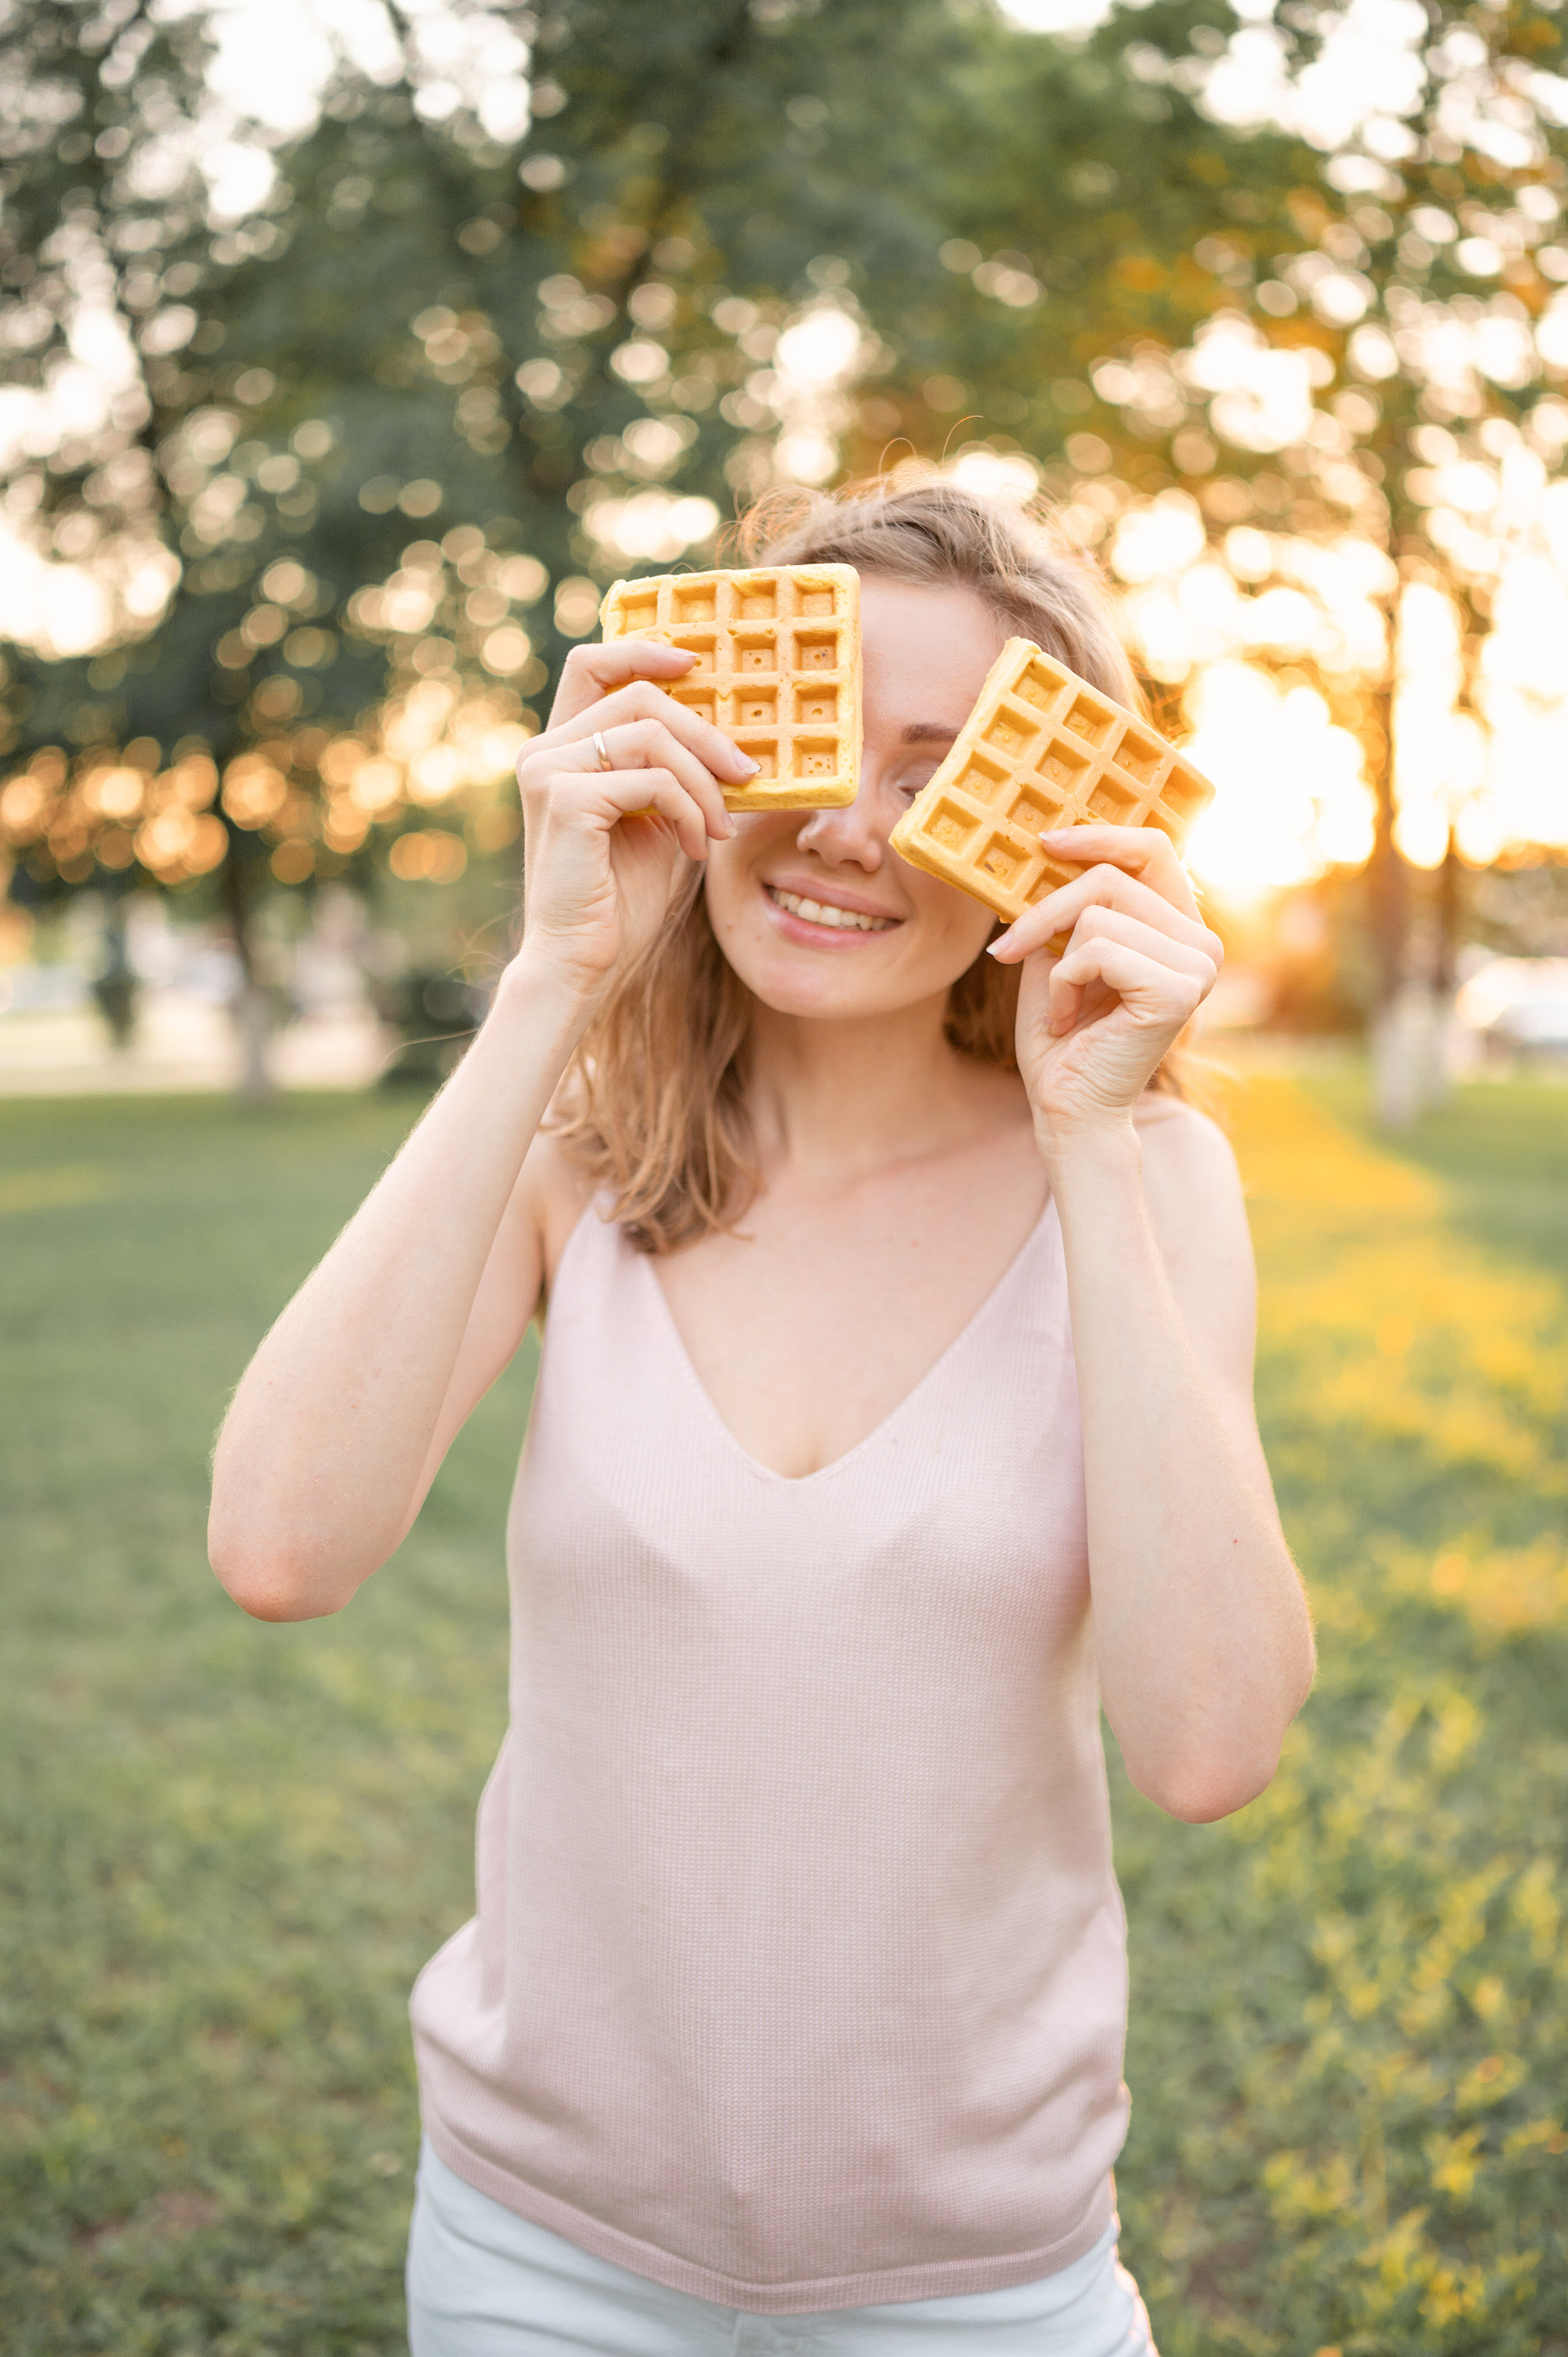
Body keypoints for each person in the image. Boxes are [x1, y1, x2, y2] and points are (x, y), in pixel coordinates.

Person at [209, 479, 1314, 2356]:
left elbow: (1208, 1745)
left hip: (983, 2278)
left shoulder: (1145, 1178)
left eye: (933, 772)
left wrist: (1089, 1140)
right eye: (808, 737)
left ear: (1043, 828)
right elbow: (279, 1548)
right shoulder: (582, 1157)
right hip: (539, 2247)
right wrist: (557, 980)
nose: (842, 829)